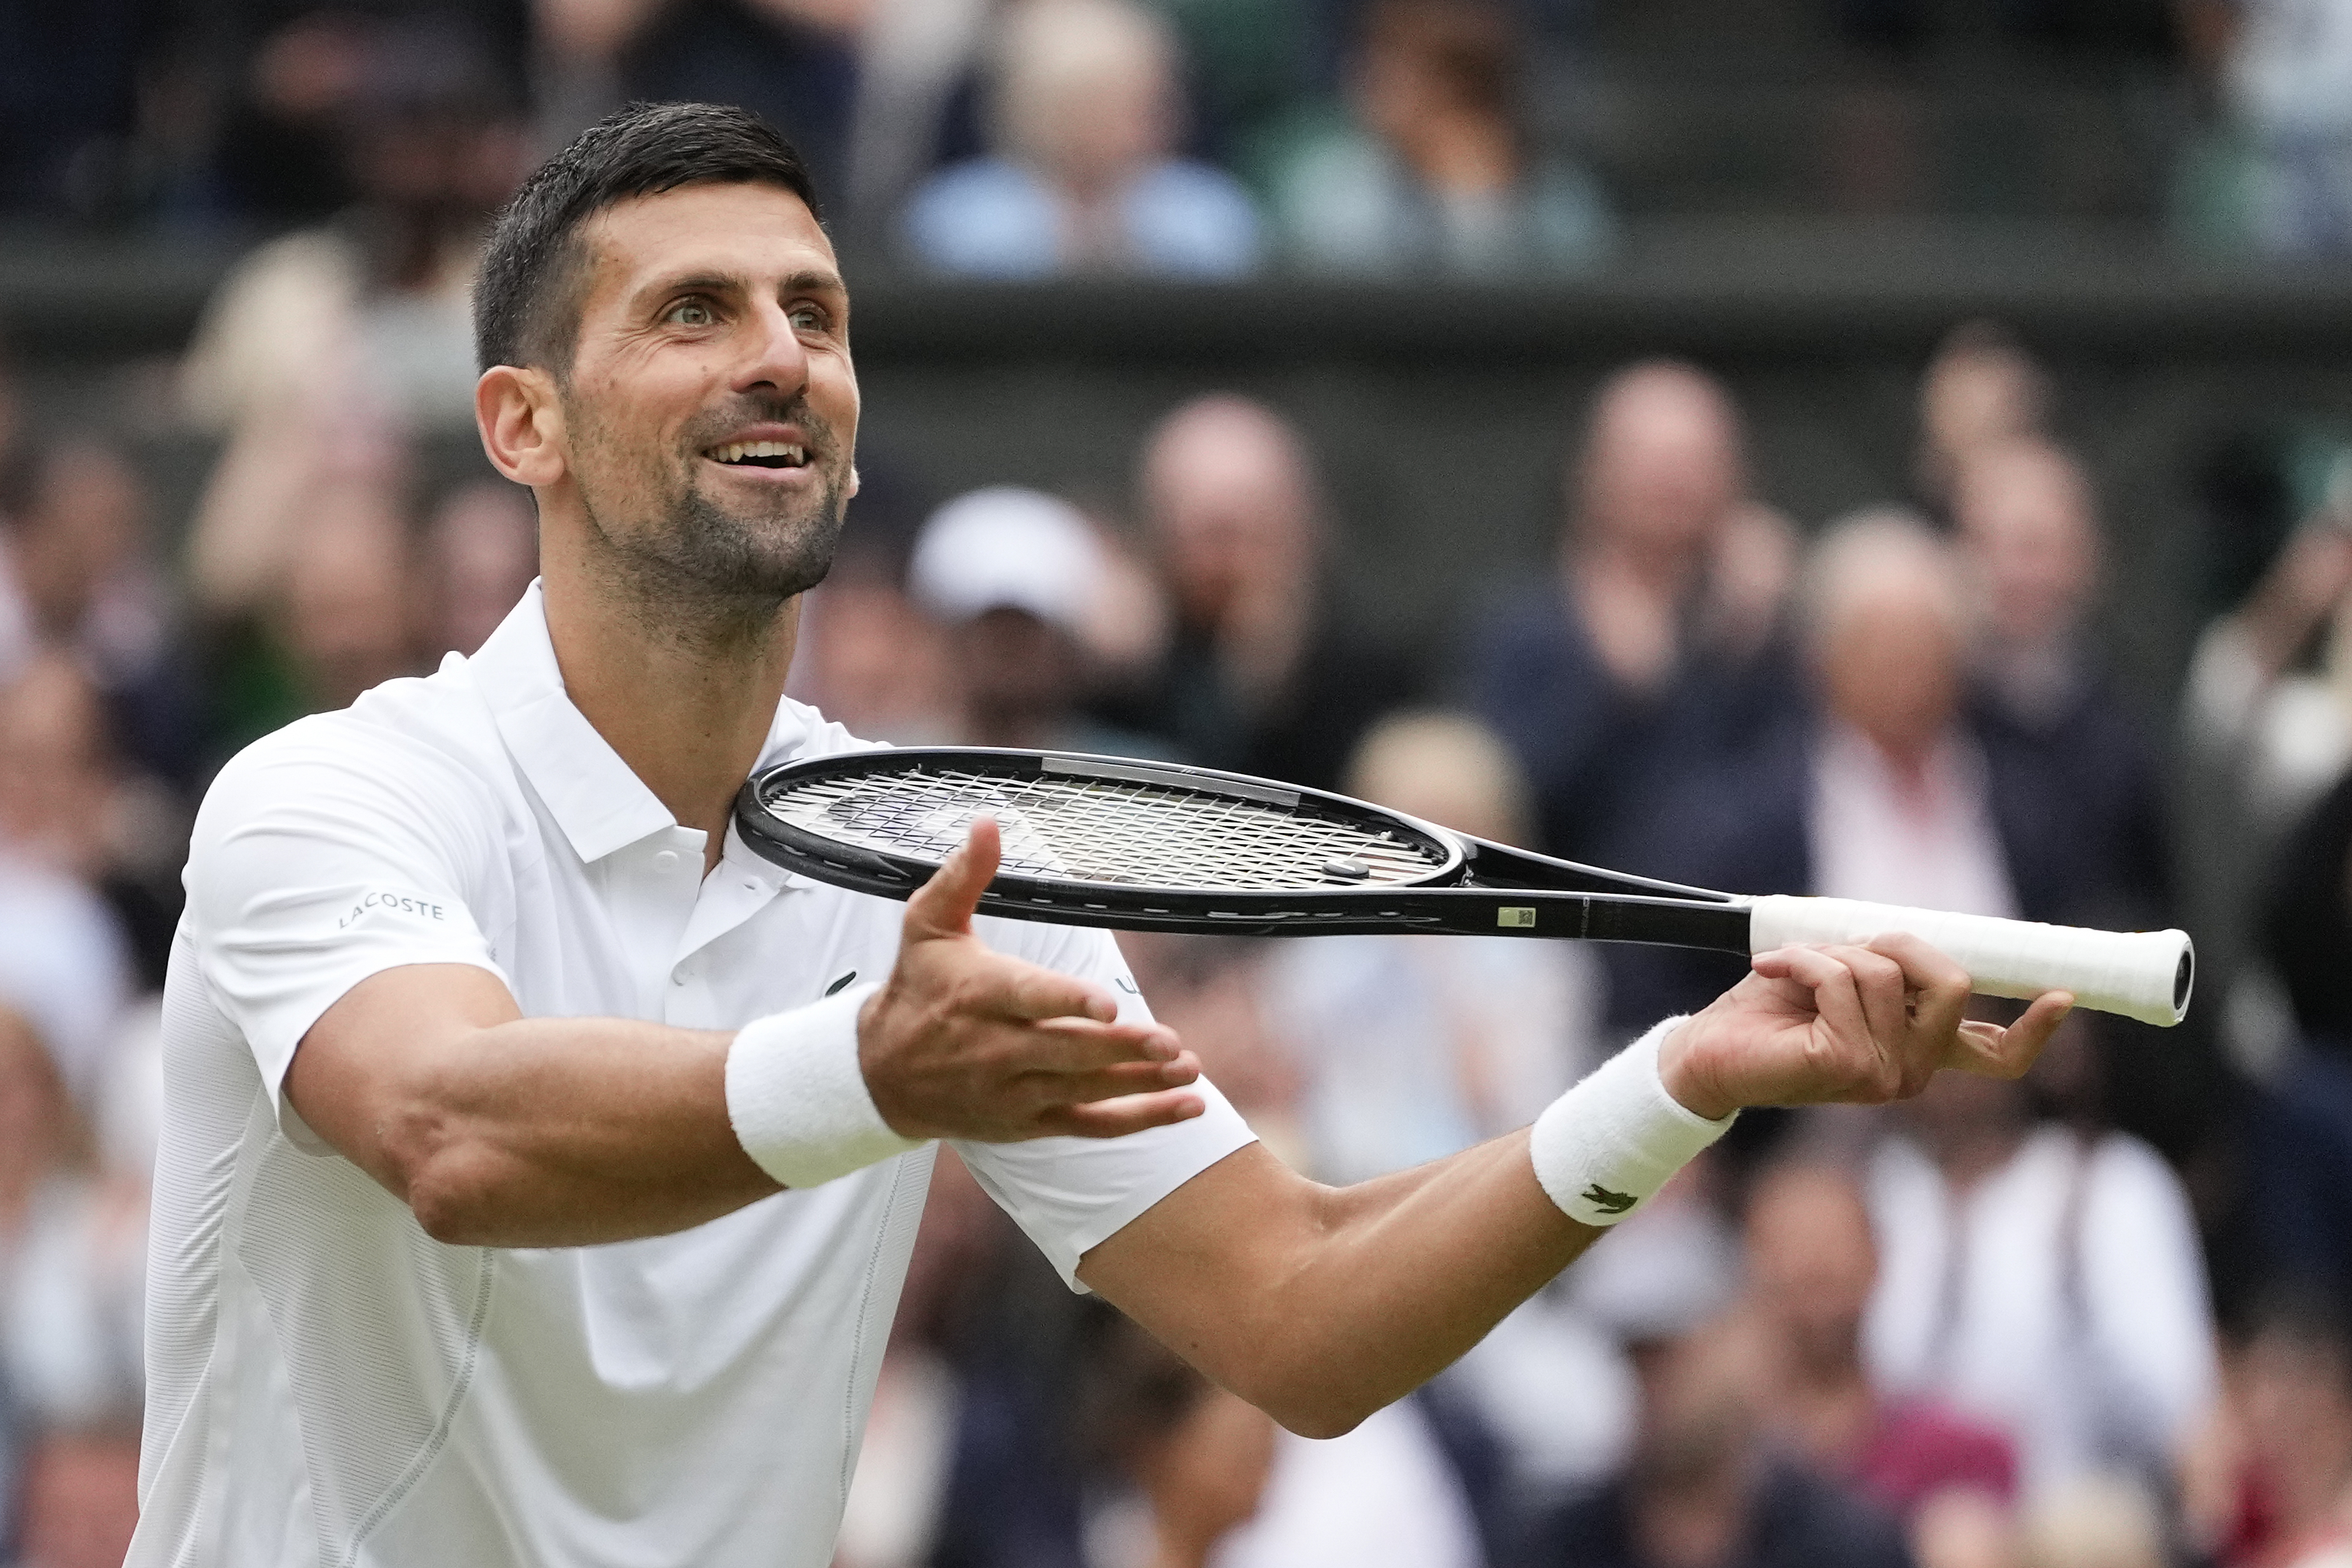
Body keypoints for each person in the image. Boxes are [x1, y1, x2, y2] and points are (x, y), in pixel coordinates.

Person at [133, 102, 2071, 1568]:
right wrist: (871, 1074)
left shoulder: (962, 872)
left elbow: (1300, 1317)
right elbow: (455, 1128)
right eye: (693, 312)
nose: (778, 354)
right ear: (520, 425)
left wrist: (1680, 1081)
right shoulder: (332, 798)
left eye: (814, 311)